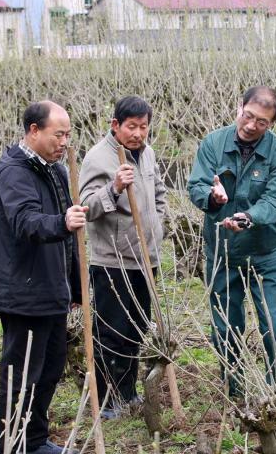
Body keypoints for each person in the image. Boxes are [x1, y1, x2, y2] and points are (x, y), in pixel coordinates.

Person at [0, 101, 86, 454]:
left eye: (67, 135)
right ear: (34, 131)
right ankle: (10, 445)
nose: (64, 142)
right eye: (58, 134)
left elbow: (70, 241)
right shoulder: (11, 172)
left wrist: (74, 286)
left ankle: (34, 440)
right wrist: (61, 222)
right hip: (23, 292)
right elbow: (25, 221)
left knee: (48, 372)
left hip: (52, 290)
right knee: (21, 376)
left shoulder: (56, 171)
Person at [187, 86, 276, 397]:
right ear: (239, 107)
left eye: (262, 122)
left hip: (266, 250)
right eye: (248, 116)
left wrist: (248, 217)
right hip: (222, 251)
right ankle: (234, 390)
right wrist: (212, 196)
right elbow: (196, 184)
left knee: (273, 324)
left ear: (271, 124)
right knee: (225, 326)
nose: (251, 125)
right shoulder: (213, 144)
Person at [79, 96, 167, 419]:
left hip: (146, 258)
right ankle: (105, 401)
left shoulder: (148, 154)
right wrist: (114, 188)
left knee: (136, 330)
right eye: (131, 127)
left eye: (144, 127)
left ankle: (127, 393)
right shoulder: (97, 158)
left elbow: (159, 194)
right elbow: (86, 207)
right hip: (112, 261)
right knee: (111, 332)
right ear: (115, 125)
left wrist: (156, 225)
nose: (138, 133)